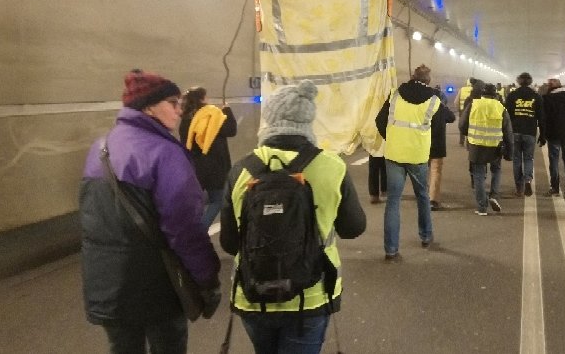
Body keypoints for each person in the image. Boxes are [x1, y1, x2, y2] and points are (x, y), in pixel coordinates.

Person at [80, 69, 221, 353]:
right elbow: (184, 230)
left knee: (122, 347)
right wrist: (207, 276)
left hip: (105, 279)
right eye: (173, 102)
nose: (179, 111)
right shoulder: (164, 153)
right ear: (149, 108)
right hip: (156, 283)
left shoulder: (100, 147)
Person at [219, 80, 366, 353]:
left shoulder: (241, 170)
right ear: (309, 120)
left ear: (270, 119)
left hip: (253, 294)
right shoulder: (331, 166)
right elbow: (353, 227)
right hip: (310, 295)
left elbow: (228, 243)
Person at [376, 64, 442, 260]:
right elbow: (438, 130)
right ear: (428, 81)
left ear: (413, 77)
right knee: (422, 196)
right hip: (418, 156)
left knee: (393, 201)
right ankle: (426, 236)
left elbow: (380, 121)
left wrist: (393, 138)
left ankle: (391, 249)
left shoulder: (395, 94)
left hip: (394, 154)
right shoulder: (433, 101)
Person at [178, 86, 237, 229]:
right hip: (215, 167)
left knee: (197, 199)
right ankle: (200, 231)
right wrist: (227, 110)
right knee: (217, 201)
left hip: (194, 166)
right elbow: (231, 130)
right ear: (202, 99)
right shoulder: (213, 116)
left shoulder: (186, 119)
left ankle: (187, 227)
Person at [461, 83, 514, 215]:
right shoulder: (500, 107)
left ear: (482, 94)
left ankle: (482, 207)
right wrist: (510, 150)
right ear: (495, 94)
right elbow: (508, 131)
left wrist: (468, 135)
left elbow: (462, 125)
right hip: (495, 146)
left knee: (478, 175)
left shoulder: (473, 104)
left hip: (476, 145)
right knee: (496, 170)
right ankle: (494, 196)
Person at [505, 72, 544, 197]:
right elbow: (541, 117)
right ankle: (528, 180)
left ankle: (519, 189)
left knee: (516, 160)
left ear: (518, 81)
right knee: (528, 159)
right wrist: (543, 134)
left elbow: (506, 116)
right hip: (530, 132)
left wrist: (505, 134)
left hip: (515, 132)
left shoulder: (512, 96)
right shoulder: (536, 96)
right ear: (530, 82)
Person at [428, 84, 457, 211]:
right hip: (437, 146)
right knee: (436, 172)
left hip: (421, 145)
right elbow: (452, 118)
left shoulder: (421, 107)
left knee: (421, 171)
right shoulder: (440, 107)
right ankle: (433, 200)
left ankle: (422, 196)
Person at [456, 78, 474, 146]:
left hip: (462, 111)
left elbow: (456, 102)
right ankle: (468, 142)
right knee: (470, 126)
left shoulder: (462, 89)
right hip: (472, 111)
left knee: (462, 125)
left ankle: (461, 141)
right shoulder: (474, 90)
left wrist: (459, 109)